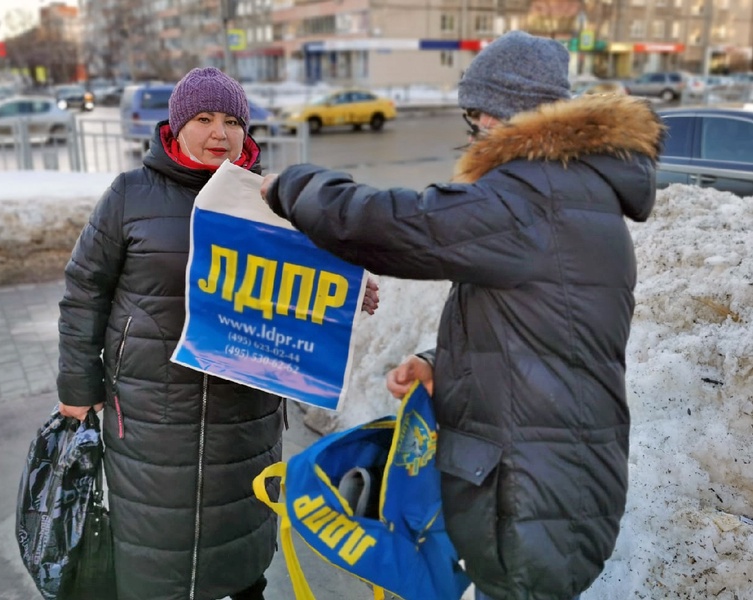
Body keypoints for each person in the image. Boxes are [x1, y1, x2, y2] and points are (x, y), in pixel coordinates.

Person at [259, 31, 664, 600]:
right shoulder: (567, 195)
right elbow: (536, 334)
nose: (472, 133)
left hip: (533, 498)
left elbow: (397, 225)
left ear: (505, 117)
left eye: (475, 117)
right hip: (549, 483)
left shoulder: (532, 200)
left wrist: (294, 186)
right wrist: (441, 365)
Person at [56, 66, 377, 600]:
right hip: (148, 414)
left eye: (232, 121)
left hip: (243, 416)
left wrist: (348, 292)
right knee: (152, 552)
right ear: (176, 126)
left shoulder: (272, 202)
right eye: (203, 118)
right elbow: (83, 292)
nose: (219, 134)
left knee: (239, 546)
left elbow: (306, 283)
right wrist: (76, 390)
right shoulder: (130, 196)